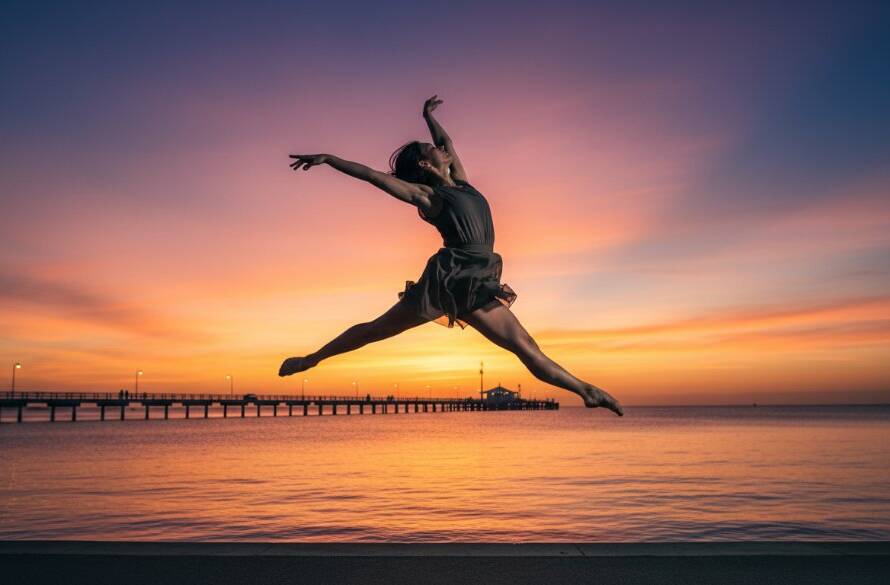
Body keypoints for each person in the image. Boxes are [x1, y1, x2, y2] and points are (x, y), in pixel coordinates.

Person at [279, 95, 622, 416]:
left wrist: (428, 117)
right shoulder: (428, 196)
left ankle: (585, 391)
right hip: (451, 278)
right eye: (434, 149)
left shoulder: (461, 182)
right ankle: (313, 358)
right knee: (378, 329)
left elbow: (449, 143)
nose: (442, 148)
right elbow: (372, 177)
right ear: (427, 164)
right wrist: (329, 159)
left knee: (524, 344)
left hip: (478, 277)